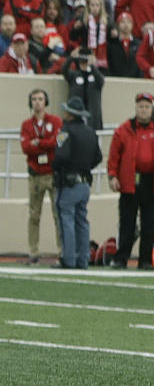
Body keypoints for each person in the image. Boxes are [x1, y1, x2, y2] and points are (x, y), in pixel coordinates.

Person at [106, 90, 154, 269]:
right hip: (129, 182)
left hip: (151, 183)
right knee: (127, 222)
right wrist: (112, 176)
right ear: (136, 108)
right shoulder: (124, 130)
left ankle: (145, 260)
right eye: (141, 106)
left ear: (151, 109)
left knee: (149, 224)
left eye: (147, 107)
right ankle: (121, 258)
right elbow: (113, 156)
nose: (143, 110)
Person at [53, 96, 100, 270]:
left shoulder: (65, 131)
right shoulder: (90, 132)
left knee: (66, 220)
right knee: (82, 220)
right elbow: (98, 157)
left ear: (70, 114)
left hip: (69, 182)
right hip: (85, 183)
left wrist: (56, 168)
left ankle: (69, 258)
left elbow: (61, 155)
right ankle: (83, 259)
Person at [20, 88, 62, 265]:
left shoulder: (55, 121)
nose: (37, 102)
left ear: (46, 102)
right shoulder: (26, 125)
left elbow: (56, 142)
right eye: (34, 99)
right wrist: (42, 145)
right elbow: (26, 148)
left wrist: (39, 143)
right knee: (34, 214)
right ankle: (33, 250)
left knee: (57, 214)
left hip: (52, 173)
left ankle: (62, 250)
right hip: (35, 175)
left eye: (41, 99)